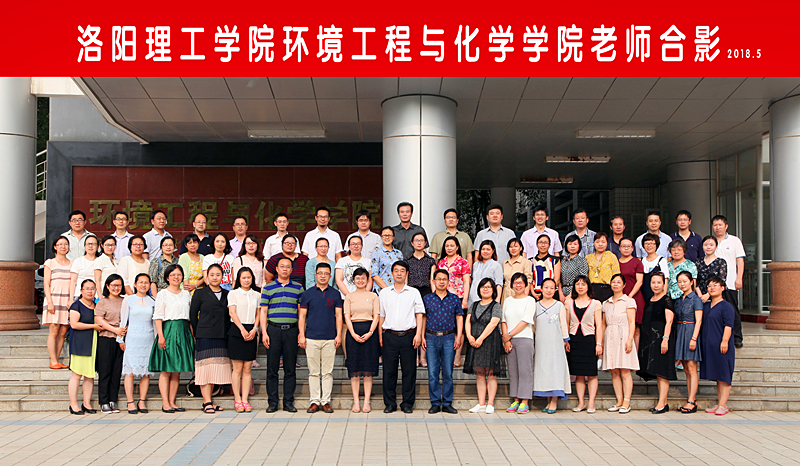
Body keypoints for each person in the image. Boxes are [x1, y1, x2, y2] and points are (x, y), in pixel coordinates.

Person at [378, 261, 425, 413]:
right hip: (389, 336)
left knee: (409, 371)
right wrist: (380, 335)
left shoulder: (413, 292)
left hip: (409, 336)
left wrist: (418, 334)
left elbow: (419, 314)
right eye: (396, 270)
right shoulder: (384, 293)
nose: (399, 273)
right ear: (391, 273)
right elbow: (381, 316)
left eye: (402, 270)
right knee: (389, 371)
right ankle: (390, 403)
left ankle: (407, 404)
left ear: (407, 273)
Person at [149, 264, 194, 413]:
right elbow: (158, 316)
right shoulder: (162, 294)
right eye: (173, 275)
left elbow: (190, 317)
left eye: (179, 274)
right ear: (167, 278)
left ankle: (173, 401)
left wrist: (192, 335)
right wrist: (160, 336)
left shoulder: (186, 294)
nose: (176, 277)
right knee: (166, 369)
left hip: (183, 331)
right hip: (168, 331)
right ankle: (165, 402)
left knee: (177, 371)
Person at [260, 257, 303, 413]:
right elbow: (263, 311)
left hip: (291, 331)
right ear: (276, 269)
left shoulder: (298, 288)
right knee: (272, 369)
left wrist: (301, 332)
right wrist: (264, 332)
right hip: (273, 330)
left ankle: (288, 402)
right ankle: (272, 403)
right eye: (282, 266)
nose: (285, 269)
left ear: (292, 270)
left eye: (288, 267)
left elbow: (301, 313)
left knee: (290, 369)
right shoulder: (268, 288)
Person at [299, 262, 343, 414]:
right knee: (313, 372)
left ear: (330, 276)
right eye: (320, 273)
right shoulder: (307, 294)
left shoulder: (335, 294)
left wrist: (338, 335)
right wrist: (302, 335)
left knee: (327, 372)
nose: (323, 276)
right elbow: (302, 316)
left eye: (326, 273)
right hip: (311, 337)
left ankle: (326, 401)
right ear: (315, 275)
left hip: (329, 337)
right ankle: (314, 401)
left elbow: (339, 316)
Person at [190, 263, 232, 414]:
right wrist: (197, 332)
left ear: (223, 277)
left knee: (215, 369)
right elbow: (193, 315)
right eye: (212, 275)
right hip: (205, 336)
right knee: (205, 370)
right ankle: (206, 402)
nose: (215, 278)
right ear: (206, 277)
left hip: (222, 336)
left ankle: (210, 401)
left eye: (218, 275)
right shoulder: (200, 293)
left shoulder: (228, 294)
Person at [422, 269, 463, 414]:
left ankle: (446, 403)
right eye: (438, 279)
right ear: (433, 281)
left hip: (448, 337)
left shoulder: (454, 298)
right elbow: (423, 318)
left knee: (448, 372)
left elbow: (459, 317)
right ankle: (435, 403)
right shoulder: (427, 298)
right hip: (431, 337)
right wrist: (422, 336)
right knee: (433, 372)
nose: (441, 282)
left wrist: (459, 336)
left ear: (448, 281)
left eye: (444, 279)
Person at [636, 273, 676, 414]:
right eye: (653, 282)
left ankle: (661, 404)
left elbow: (669, 321)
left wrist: (665, 339)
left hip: (661, 339)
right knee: (658, 373)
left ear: (664, 284)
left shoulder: (666, 300)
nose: (656, 285)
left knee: (662, 372)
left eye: (659, 282)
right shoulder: (649, 300)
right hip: (650, 340)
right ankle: (663, 402)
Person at [464, 277, 505, 414]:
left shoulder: (496, 306)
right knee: (480, 374)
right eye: (483, 287)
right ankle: (481, 403)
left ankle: (490, 403)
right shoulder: (474, 305)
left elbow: (494, 323)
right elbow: (468, 321)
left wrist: (480, 338)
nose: (485, 289)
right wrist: (469, 336)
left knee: (491, 374)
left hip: (490, 342)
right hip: (474, 342)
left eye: (488, 287)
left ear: (493, 290)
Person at [117, 273, 156, 415]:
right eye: (141, 282)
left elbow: (155, 322)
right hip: (132, 338)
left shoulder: (153, 301)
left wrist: (157, 339)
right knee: (130, 372)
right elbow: (123, 320)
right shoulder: (129, 300)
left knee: (145, 373)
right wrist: (120, 338)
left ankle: (142, 400)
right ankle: (130, 402)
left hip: (148, 338)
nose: (143, 285)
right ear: (135, 284)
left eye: (146, 282)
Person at [601, 274, 639, 414]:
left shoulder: (629, 301)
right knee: (614, 370)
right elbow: (603, 324)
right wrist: (601, 341)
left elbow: (632, 322)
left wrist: (630, 340)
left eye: (619, 282)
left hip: (624, 335)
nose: (616, 284)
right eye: (613, 282)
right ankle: (619, 400)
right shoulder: (606, 303)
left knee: (625, 370)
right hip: (610, 336)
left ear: (624, 285)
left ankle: (627, 402)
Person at [344, 267, 380, 414]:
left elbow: (376, 315)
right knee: (354, 369)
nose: (360, 280)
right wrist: (352, 333)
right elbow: (347, 316)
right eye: (357, 278)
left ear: (367, 279)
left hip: (370, 332)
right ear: (354, 280)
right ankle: (356, 401)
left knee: (368, 369)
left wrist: (370, 332)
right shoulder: (349, 297)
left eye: (363, 278)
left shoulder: (373, 296)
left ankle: (366, 401)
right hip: (353, 332)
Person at [565, 276, 603, 413]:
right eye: (577, 284)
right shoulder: (569, 303)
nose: (580, 287)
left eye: (583, 284)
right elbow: (567, 323)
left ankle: (591, 403)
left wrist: (599, 343)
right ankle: (581, 402)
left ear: (588, 287)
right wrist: (566, 340)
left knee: (591, 373)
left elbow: (599, 325)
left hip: (589, 339)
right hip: (574, 339)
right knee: (579, 373)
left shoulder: (595, 303)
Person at [533, 278, 571, 413]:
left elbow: (563, 324)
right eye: (546, 287)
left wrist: (565, 340)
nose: (548, 290)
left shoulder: (559, 305)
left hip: (556, 343)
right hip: (541, 343)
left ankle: (554, 401)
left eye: (552, 288)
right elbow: (534, 325)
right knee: (544, 370)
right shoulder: (535, 306)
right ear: (541, 289)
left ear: (555, 290)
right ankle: (548, 400)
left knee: (555, 369)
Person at [67, 279, 103, 415]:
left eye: (92, 288)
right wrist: (93, 326)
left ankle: (87, 403)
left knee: (89, 375)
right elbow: (74, 324)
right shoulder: (76, 305)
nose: (90, 291)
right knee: (77, 374)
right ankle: (73, 404)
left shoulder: (96, 306)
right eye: (87, 288)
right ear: (81, 290)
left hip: (92, 343)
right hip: (80, 343)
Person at [501, 273, 535, 414]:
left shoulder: (530, 300)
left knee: (525, 371)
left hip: (524, 339)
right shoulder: (508, 300)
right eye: (515, 283)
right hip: (509, 341)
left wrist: (509, 335)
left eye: (521, 282)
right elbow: (503, 320)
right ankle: (516, 399)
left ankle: (525, 401)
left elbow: (526, 320)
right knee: (513, 371)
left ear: (526, 285)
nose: (518, 285)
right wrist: (507, 339)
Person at [701, 276, 736, 416]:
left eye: (715, 285)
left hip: (722, 345)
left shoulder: (726, 306)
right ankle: (720, 403)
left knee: (724, 374)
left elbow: (728, 325)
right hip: (709, 345)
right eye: (709, 286)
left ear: (722, 288)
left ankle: (723, 405)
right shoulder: (706, 305)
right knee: (718, 375)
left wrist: (725, 341)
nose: (712, 288)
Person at [228, 267, 261, 413]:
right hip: (237, 330)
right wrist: (241, 328)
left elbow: (259, 313)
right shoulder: (233, 293)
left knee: (247, 368)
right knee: (237, 369)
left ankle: (245, 399)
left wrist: (255, 328)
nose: (246, 280)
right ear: (239, 279)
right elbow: (232, 312)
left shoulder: (257, 295)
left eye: (249, 277)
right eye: (243, 278)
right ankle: (237, 399)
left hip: (251, 330)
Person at [94, 274, 126, 413]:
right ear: (107, 286)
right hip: (106, 339)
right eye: (113, 285)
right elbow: (99, 320)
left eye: (119, 285)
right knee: (105, 370)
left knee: (116, 371)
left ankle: (113, 400)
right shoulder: (102, 302)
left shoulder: (125, 301)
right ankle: (104, 401)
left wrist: (123, 330)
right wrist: (115, 330)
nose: (116, 288)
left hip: (121, 340)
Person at [712, 215, 745, 348]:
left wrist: (739, 278)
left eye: (720, 225)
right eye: (715, 225)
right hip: (714, 284)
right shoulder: (711, 241)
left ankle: (737, 337)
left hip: (730, 281)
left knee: (732, 309)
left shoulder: (734, 241)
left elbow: (740, 260)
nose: (718, 227)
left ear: (726, 226)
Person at [674, 270, 704, 414]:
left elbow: (699, 321)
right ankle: (691, 398)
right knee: (686, 369)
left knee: (692, 368)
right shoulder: (679, 299)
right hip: (680, 330)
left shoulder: (696, 299)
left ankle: (691, 400)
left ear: (691, 282)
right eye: (679, 282)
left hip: (691, 330)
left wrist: (694, 338)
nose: (682, 284)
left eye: (685, 281)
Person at [44, 237, 72, 369]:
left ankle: (57, 359)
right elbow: (46, 284)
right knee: (54, 330)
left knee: (62, 332)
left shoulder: (72, 264)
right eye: (60, 244)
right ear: (55, 247)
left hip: (66, 300)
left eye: (65, 244)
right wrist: (50, 302)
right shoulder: (50, 263)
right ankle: (53, 360)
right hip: (54, 299)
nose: (63, 246)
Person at [617, 238, 645, 336]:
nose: (626, 248)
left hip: (634, 297)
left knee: (635, 328)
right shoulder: (615, 262)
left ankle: (635, 347)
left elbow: (639, 281)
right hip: (618, 297)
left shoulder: (637, 263)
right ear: (619, 248)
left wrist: (629, 296)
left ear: (633, 248)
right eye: (623, 246)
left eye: (628, 246)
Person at [586, 232, 620, 303]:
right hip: (591, 289)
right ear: (594, 243)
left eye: (603, 242)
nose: (600, 244)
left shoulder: (611, 256)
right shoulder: (588, 258)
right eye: (597, 242)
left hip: (607, 289)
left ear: (607, 243)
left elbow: (616, 275)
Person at [469, 240, 504, 306]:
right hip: (473, 298)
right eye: (483, 249)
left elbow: (499, 284)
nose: (485, 251)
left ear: (493, 251)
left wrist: (497, 301)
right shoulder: (475, 264)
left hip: (488, 299)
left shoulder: (496, 265)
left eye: (488, 249)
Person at [695, 236, 728, 302]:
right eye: (706, 245)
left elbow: (721, 280)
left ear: (716, 246)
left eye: (711, 245)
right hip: (700, 297)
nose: (708, 247)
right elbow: (695, 280)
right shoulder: (698, 262)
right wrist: (700, 296)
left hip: (716, 297)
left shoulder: (721, 262)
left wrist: (708, 295)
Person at [371, 226, 403, 292]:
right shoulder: (376, 252)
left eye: (389, 235)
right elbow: (374, 274)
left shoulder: (398, 253)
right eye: (385, 235)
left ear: (393, 237)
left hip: (397, 289)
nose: (387, 237)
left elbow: (403, 272)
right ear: (381, 237)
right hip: (381, 289)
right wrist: (387, 290)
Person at [640, 233, 670, 302]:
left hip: (657, 297)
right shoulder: (641, 261)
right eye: (646, 243)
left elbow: (665, 280)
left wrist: (663, 297)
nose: (649, 246)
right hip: (643, 296)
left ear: (656, 245)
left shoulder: (661, 260)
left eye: (652, 243)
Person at [501, 238, 532, 304]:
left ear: (520, 248)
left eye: (516, 246)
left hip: (519, 294)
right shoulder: (505, 263)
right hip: (506, 294)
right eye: (511, 247)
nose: (513, 249)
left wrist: (525, 296)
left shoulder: (526, 262)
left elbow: (528, 280)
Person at [530, 235, 561, 300]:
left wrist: (547, 291)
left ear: (549, 245)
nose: (543, 245)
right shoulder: (531, 261)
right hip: (535, 294)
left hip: (552, 294)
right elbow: (529, 280)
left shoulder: (555, 260)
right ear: (537, 244)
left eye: (545, 243)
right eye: (540, 242)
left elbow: (557, 279)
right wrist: (533, 293)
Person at [69, 235, 100, 299]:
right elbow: (73, 281)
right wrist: (71, 298)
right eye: (88, 244)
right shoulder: (78, 261)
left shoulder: (101, 261)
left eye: (93, 244)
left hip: (97, 296)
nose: (90, 246)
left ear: (97, 247)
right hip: (79, 295)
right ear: (85, 247)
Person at [559, 235, 589, 301]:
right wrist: (560, 293)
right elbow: (559, 279)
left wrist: (570, 295)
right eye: (570, 244)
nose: (572, 246)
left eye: (575, 244)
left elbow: (583, 279)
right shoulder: (563, 261)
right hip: (562, 293)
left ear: (579, 246)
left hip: (576, 292)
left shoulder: (582, 261)